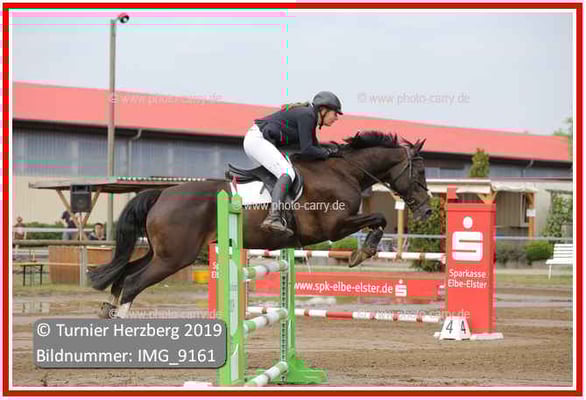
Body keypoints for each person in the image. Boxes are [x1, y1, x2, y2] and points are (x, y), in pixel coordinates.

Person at [245, 91, 343, 236]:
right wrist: (329, 153)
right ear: (323, 110)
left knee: (286, 172)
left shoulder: (309, 118)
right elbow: (308, 150)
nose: (336, 118)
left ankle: (276, 213)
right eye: (335, 113)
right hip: (257, 141)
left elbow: (315, 150)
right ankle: (273, 217)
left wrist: (332, 153)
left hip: (259, 142)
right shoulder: (307, 116)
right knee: (287, 173)